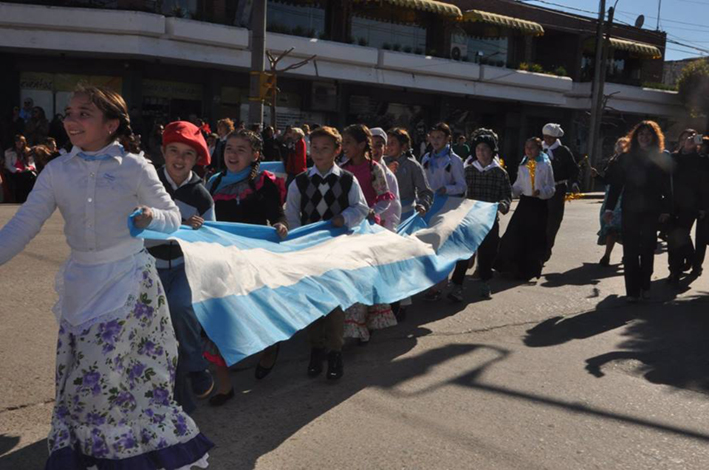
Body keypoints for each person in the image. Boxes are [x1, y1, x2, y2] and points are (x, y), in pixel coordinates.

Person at [0, 86, 212, 468]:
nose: (71, 120)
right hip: (81, 285)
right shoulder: (57, 170)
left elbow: (173, 217)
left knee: (113, 379)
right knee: (83, 381)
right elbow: (24, 224)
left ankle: (125, 454)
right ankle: (98, 451)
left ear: (110, 124)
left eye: (84, 113)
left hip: (128, 283)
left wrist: (150, 217)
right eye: (69, 112)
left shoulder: (134, 166)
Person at [206, 128, 288, 404]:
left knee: (255, 314)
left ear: (255, 155)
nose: (233, 154)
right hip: (219, 263)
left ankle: (270, 345)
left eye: (241, 150)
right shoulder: (213, 182)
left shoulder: (262, 182)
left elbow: (277, 215)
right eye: (229, 148)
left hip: (253, 261)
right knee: (216, 319)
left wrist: (280, 225)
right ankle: (224, 386)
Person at [285, 126, 369, 380]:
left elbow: (361, 208)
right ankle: (316, 349)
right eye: (314, 148)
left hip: (336, 250)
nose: (318, 153)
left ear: (337, 150)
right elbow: (291, 212)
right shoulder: (300, 181)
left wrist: (344, 218)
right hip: (309, 250)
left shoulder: (346, 179)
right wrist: (300, 240)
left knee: (334, 302)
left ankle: (335, 352)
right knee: (312, 300)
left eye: (324, 149)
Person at [147, 121, 216, 415]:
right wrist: (176, 223)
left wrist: (199, 231)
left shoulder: (202, 196)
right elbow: (133, 223)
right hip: (146, 266)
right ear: (163, 152)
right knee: (149, 323)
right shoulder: (147, 185)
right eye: (173, 150)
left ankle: (196, 365)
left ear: (197, 160)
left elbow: (213, 237)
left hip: (185, 268)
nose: (179, 158)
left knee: (180, 307)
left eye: (188, 154)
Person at [340, 124, 396, 344]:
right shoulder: (341, 167)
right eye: (342, 143)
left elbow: (385, 196)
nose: (344, 147)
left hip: (367, 230)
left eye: (348, 143)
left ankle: (361, 324)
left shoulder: (374, 169)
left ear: (362, 145)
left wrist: (373, 212)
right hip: (346, 229)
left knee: (363, 278)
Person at [605, 121, 672, 302]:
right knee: (631, 250)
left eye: (648, 134)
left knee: (648, 247)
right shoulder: (625, 158)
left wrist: (666, 209)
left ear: (654, 137)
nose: (644, 137)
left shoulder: (660, 158)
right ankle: (632, 291)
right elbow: (616, 186)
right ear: (636, 137)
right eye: (641, 134)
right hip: (630, 209)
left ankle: (645, 284)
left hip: (652, 209)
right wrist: (609, 208)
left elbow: (667, 187)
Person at [449, 129, 512, 300]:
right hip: (469, 219)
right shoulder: (468, 170)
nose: (480, 152)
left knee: (487, 253)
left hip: (490, 220)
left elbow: (507, 194)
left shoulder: (500, 173)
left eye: (484, 149)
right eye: (477, 149)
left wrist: (503, 205)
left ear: (492, 151)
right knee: (463, 253)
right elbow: (460, 191)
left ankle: (485, 282)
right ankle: (457, 285)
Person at [495, 137, 556, 281]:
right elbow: (518, 185)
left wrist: (541, 192)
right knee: (514, 234)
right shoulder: (523, 165)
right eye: (526, 147)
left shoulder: (545, 165)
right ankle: (509, 267)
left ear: (539, 149)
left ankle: (527, 270)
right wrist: (509, 192)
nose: (528, 150)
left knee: (533, 238)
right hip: (525, 203)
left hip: (539, 205)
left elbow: (551, 187)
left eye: (532, 147)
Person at [420, 122, 466, 301]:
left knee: (441, 246)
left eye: (439, 137)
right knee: (428, 246)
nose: (435, 140)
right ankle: (433, 282)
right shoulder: (426, 158)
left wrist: (446, 189)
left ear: (448, 139)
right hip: (429, 205)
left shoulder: (454, 161)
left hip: (446, 206)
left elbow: (462, 186)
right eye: (433, 137)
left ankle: (438, 285)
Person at [666, 129, 709, 283]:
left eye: (691, 138)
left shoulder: (702, 160)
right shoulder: (673, 157)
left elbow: (704, 185)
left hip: (691, 206)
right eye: (684, 138)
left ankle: (677, 270)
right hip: (672, 204)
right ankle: (677, 267)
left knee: (681, 236)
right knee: (672, 239)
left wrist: (703, 207)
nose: (688, 140)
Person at [541, 123, 579, 262]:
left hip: (557, 189)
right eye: (545, 137)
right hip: (540, 190)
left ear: (556, 137)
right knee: (539, 219)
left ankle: (547, 248)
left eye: (551, 137)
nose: (548, 140)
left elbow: (573, 169)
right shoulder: (540, 150)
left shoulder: (563, 151)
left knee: (553, 220)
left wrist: (574, 183)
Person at [593, 137, 629, 266]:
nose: (620, 146)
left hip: (623, 197)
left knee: (620, 227)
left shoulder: (628, 161)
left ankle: (625, 255)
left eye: (623, 145)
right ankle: (607, 255)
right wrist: (597, 176)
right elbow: (608, 181)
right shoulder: (613, 161)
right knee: (609, 226)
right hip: (611, 196)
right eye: (618, 144)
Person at [370, 127, 401, 231]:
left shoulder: (389, 177)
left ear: (385, 148)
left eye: (378, 145)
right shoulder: (353, 170)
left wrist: (386, 231)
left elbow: (394, 210)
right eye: (370, 144)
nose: (374, 149)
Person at [4, 134, 36, 203]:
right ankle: (19, 199)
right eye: (17, 141)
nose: (19, 143)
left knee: (31, 177)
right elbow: (8, 165)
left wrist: (29, 168)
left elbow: (32, 163)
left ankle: (29, 199)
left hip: (26, 171)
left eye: (21, 141)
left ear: (24, 142)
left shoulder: (28, 151)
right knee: (19, 180)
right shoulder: (9, 152)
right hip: (15, 172)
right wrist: (16, 170)